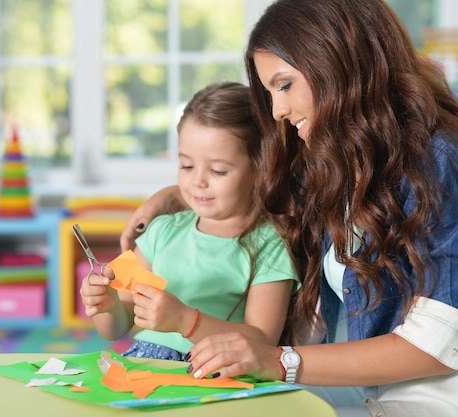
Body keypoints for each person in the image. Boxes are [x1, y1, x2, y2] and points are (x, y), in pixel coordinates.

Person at [121, 1, 458, 416]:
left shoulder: (436, 161)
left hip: (430, 398)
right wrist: (172, 194)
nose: (278, 111)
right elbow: (253, 185)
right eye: (270, 92)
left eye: (284, 85)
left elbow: (439, 344)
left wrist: (281, 361)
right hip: (369, 387)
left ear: (336, 62)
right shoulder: (339, 163)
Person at [80, 81, 300, 361]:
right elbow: (115, 328)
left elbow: (263, 340)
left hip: (209, 375)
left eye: (218, 171)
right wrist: (107, 305)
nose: (198, 181)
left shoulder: (268, 245)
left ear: (261, 168)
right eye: (186, 165)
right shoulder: (161, 232)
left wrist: (186, 321)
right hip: (142, 369)